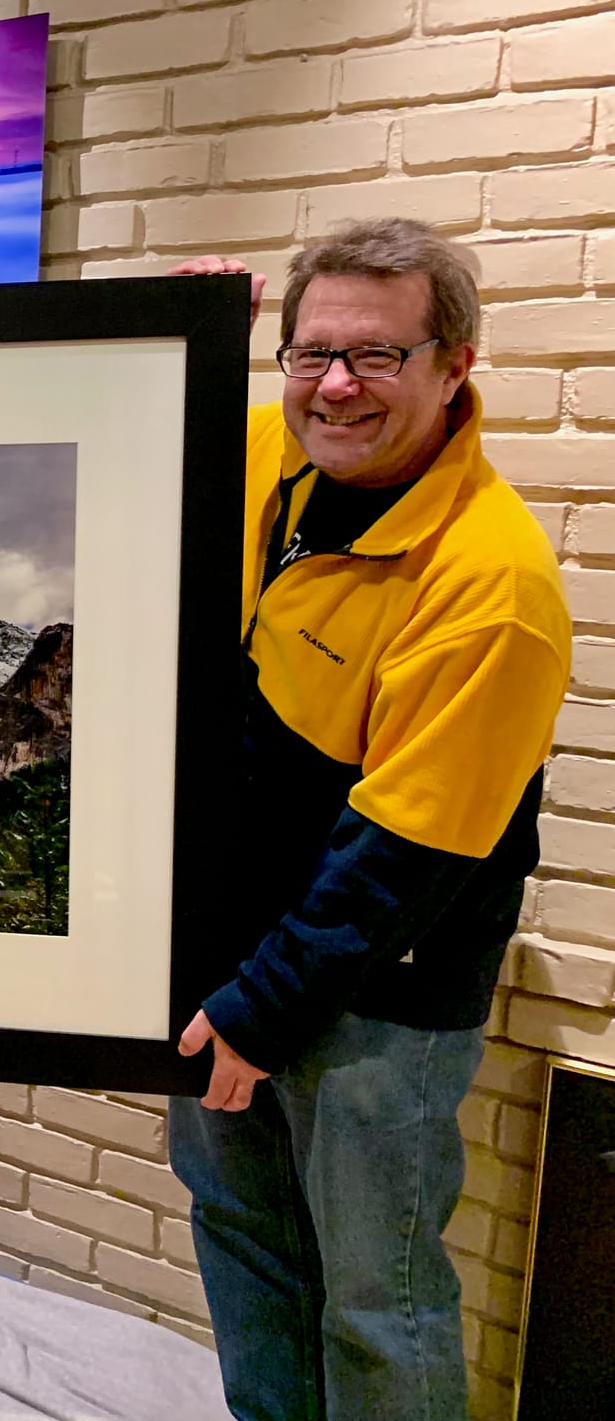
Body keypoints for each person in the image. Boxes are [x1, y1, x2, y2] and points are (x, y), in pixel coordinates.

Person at [167, 221, 570, 1421]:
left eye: (376, 357)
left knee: (374, 1305)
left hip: (366, 1008)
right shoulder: (265, 456)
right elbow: (138, 447)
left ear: (455, 364)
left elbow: (405, 857)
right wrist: (182, 338)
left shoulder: (490, 583)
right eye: (309, 354)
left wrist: (254, 1013)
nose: (334, 386)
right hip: (230, 972)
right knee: (246, 1255)